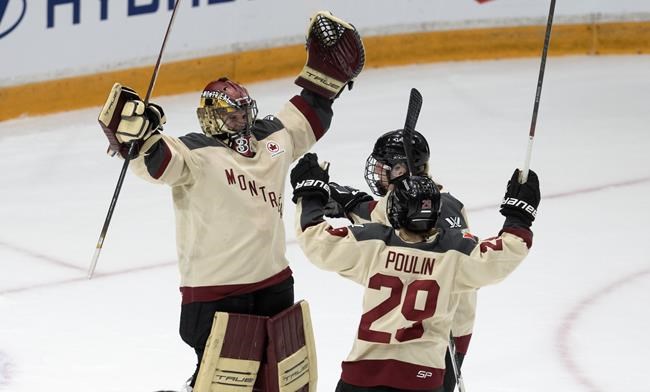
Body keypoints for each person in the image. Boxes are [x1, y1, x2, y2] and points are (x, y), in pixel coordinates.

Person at [96, 11, 365, 390]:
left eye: (243, 112)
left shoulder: (272, 139)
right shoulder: (193, 153)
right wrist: (136, 138)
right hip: (215, 294)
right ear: (210, 117)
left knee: (276, 383)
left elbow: (312, 111)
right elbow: (157, 160)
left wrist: (327, 78)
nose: (240, 120)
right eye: (231, 115)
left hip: (274, 284)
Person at [290, 152, 540, 392]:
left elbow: (316, 240)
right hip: (422, 381)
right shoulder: (454, 254)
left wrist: (310, 194)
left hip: (361, 378)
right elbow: (506, 253)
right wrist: (519, 215)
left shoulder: (373, 244)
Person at [325, 129, 475, 391]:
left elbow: (380, 223)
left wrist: (345, 203)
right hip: (452, 323)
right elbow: (380, 214)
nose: (378, 173)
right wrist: (350, 203)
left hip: (432, 335)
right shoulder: (444, 203)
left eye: (384, 167)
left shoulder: (417, 214)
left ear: (400, 169)